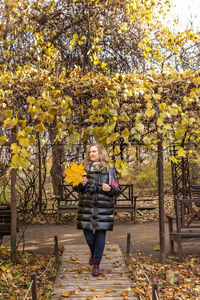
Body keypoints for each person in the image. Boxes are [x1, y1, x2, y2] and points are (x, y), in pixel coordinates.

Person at [74, 142, 120, 277]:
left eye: (94, 151)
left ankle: (96, 264)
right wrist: (81, 185)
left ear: (101, 153)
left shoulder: (110, 170)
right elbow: (75, 188)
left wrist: (110, 188)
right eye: (90, 152)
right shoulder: (83, 169)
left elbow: (117, 190)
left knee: (100, 235)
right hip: (86, 207)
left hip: (103, 208)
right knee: (88, 235)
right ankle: (94, 254)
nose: (91, 154)